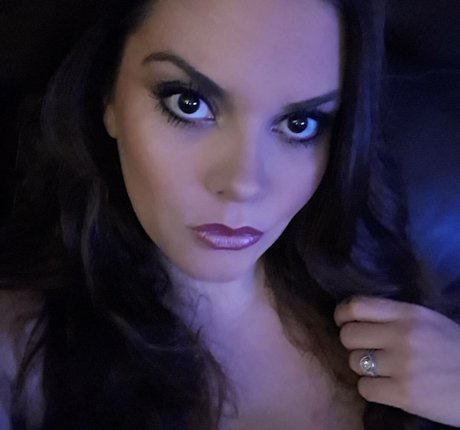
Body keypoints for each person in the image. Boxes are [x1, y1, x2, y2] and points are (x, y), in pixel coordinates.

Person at [0, 0, 459, 429]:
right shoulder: (24, 346)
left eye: (299, 125)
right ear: (108, 95)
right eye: (189, 104)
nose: (244, 184)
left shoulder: (391, 299)